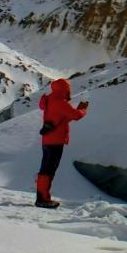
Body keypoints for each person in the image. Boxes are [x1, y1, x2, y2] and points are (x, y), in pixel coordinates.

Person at [36, 78, 89, 209]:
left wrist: (77, 110)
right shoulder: (60, 101)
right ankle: (43, 199)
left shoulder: (50, 99)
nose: (70, 91)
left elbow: (62, 118)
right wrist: (83, 109)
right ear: (64, 89)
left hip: (47, 140)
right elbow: (76, 115)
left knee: (46, 169)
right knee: (49, 170)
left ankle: (41, 197)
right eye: (68, 89)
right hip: (55, 141)